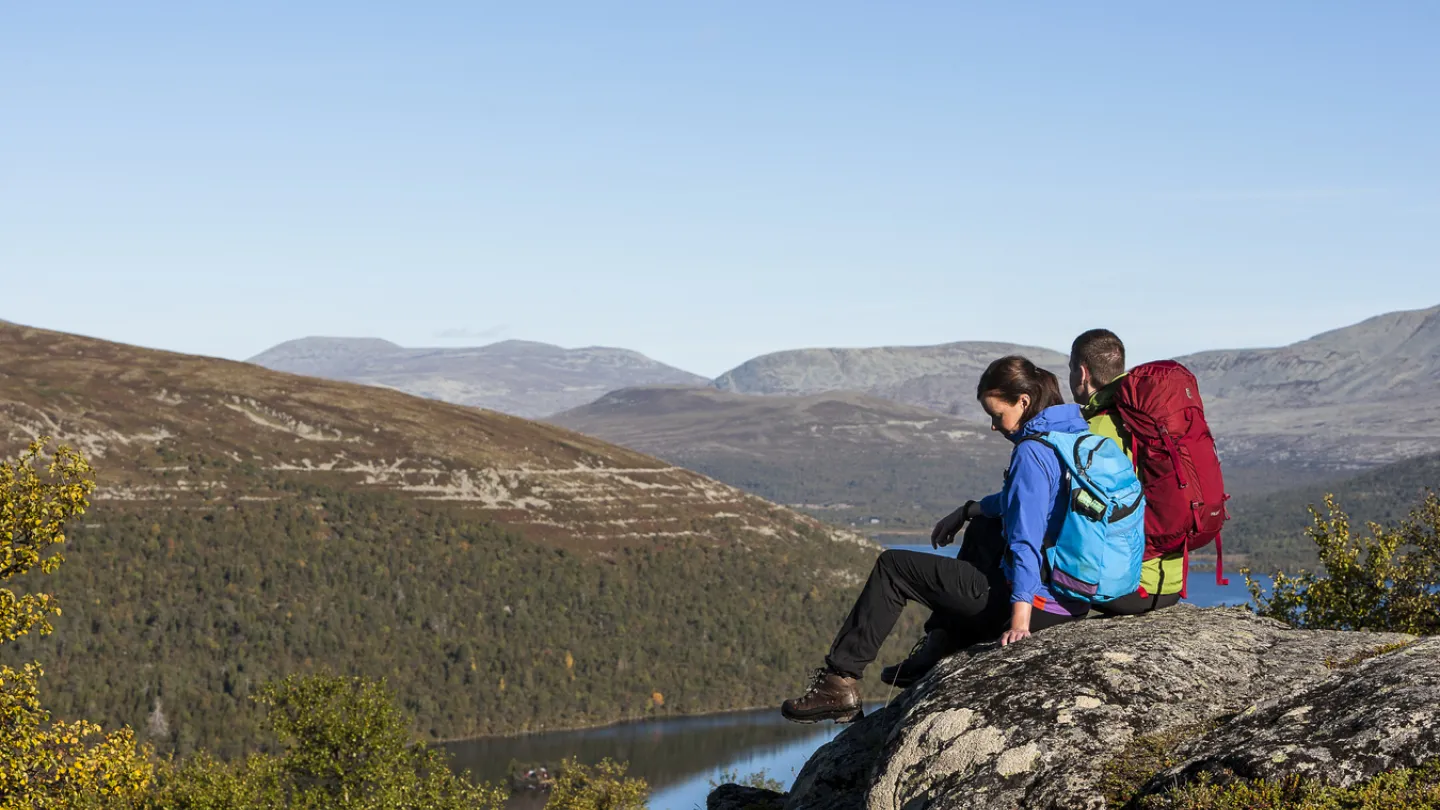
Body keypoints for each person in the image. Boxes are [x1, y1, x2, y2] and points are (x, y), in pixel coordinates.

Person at [781, 356, 1091, 723]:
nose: (994, 426)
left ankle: (839, 681)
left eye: (996, 415)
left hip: (1035, 606)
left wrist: (1019, 621)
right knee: (985, 525)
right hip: (1069, 597)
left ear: (1023, 401)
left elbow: (1025, 538)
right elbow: (1024, 503)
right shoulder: (1072, 433)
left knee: (893, 567)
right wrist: (967, 511)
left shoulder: (1032, 450)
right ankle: (945, 639)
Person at [1068, 329, 1183, 615]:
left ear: (1082, 373)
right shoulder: (1152, 420)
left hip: (1125, 589)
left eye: (1070, 369)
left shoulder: (1095, 432)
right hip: (1171, 585)